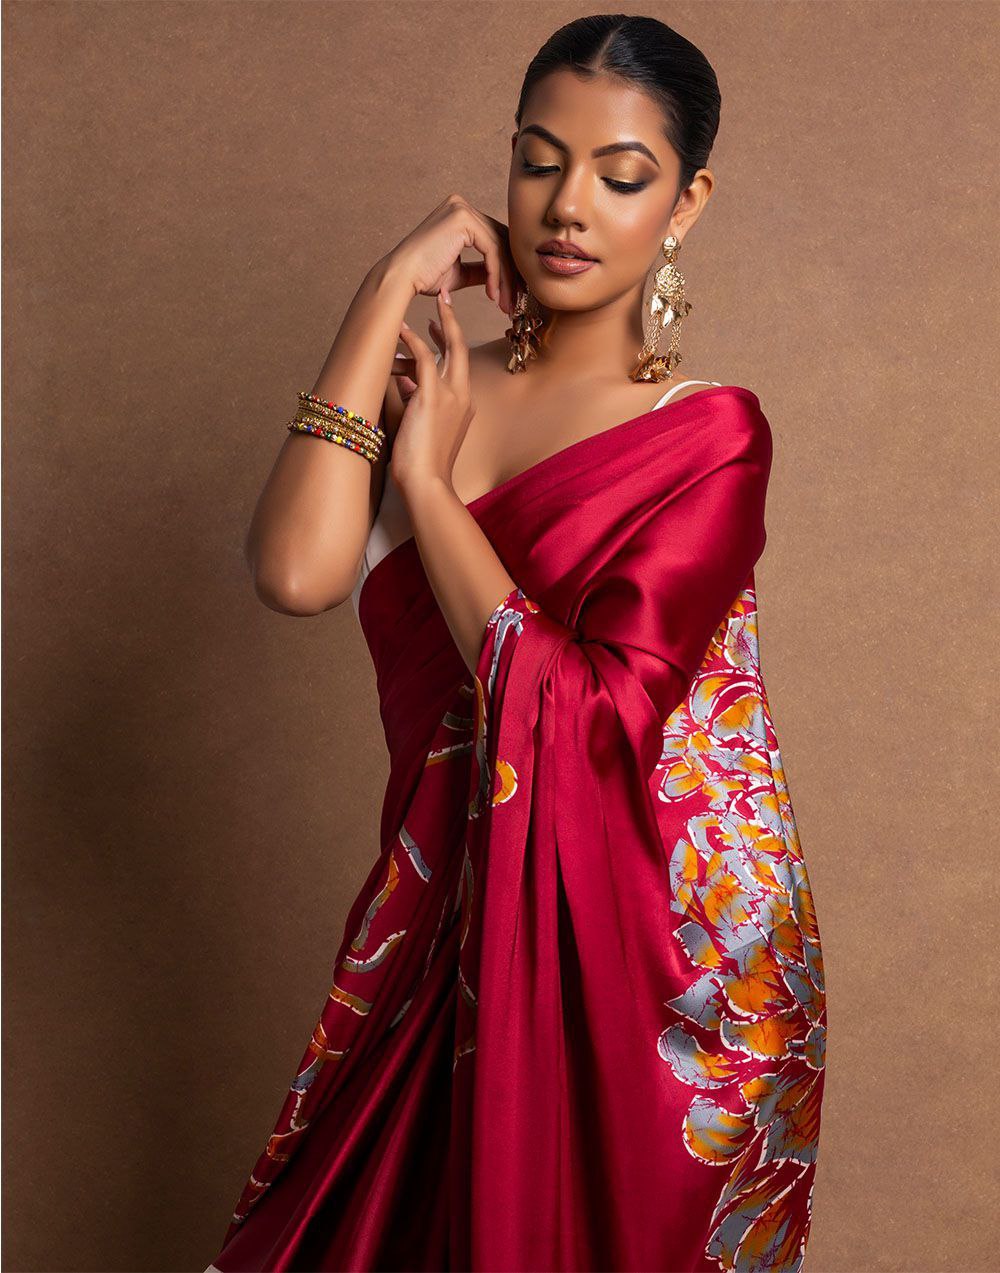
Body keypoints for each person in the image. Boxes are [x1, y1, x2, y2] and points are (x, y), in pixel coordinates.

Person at [207, 12, 827, 1272]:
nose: (567, 205)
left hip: (659, 978)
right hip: (439, 929)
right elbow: (294, 573)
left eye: (620, 175)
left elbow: (596, 716)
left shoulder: (707, 436)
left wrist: (428, 490)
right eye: (538, 162)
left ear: (686, 203)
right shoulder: (434, 379)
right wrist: (384, 289)